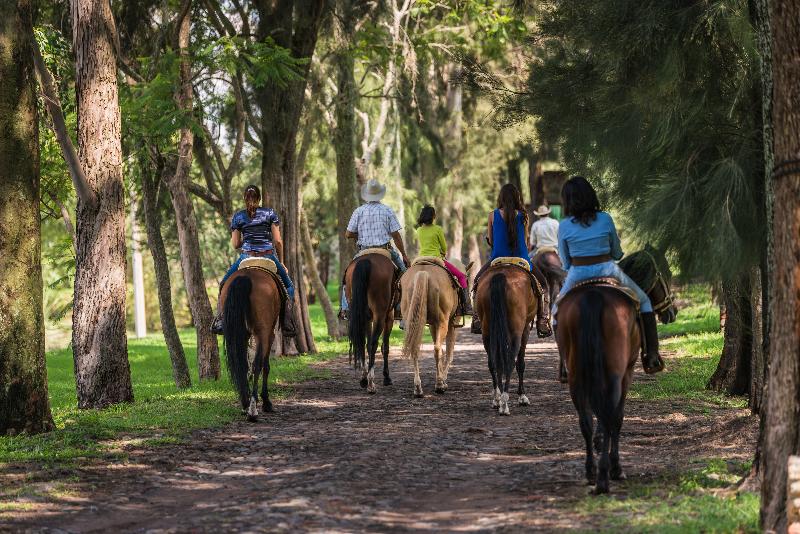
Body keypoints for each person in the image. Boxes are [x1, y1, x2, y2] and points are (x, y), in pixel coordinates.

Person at [556, 176, 663, 374]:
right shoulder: (605, 218)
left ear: (567, 200)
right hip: (607, 269)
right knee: (645, 302)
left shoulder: (564, 225)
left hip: (577, 274)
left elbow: (565, 261)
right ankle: (652, 355)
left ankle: (564, 363)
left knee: (555, 312)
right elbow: (616, 252)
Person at [211, 185, 295, 337]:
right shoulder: (270, 213)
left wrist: (247, 240)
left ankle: (220, 319)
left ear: (244, 198)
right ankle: (287, 323)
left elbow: (236, 244)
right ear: (259, 198)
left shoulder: (238, 216)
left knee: (224, 283)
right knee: (289, 286)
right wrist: (281, 261)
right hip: (268, 256)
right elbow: (278, 241)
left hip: (246, 257)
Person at [470, 183, 552, 337]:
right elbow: (527, 241)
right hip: (521, 259)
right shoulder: (524, 215)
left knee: (477, 282)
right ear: (517, 197)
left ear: (500, 197)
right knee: (544, 286)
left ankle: (476, 318)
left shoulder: (492, 215)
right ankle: (543, 319)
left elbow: (491, 240)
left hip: (498, 258)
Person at [340, 178, 409, 319]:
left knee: (347, 276)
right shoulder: (387, 210)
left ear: (367, 195)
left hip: (363, 251)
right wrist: (404, 255)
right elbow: (396, 235)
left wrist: (359, 234)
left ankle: (346, 309)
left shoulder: (358, 211)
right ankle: (400, 308)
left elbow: (348, 234)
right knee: (405, 274)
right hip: (385, 250)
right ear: (380, 195)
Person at [415, 205, 472, 315]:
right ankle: (467, 305)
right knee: (461, 276)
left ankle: (402, 309)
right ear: (433, 217)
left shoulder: (419, 230)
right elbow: (444, 246)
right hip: (436, 258)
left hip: (421, 259)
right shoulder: (438, 229)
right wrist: (443, 253)